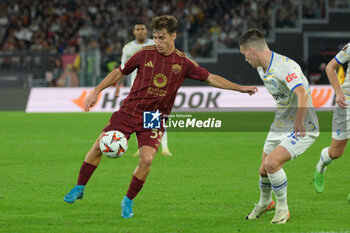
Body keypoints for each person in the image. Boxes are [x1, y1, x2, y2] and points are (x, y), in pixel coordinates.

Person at [63, 15, 258, 219]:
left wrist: (240, 89)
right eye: (155, 37)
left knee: (147, 159)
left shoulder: (183, 62)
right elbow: (118, 73)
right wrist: (96, 91)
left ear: (174, 36)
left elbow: (210, 78)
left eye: (162, 37)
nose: (158, 42)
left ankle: (127, 200)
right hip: (130, 110)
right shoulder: (143, 54)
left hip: (154, 117)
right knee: (98, 146)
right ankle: (79, 187)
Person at [239, 28, 319, 224]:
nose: (245, 60)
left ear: (252, 51)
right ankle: (266, 203)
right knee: (263, 170)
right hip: (280, 124)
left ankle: (283, 209)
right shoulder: (261, 68)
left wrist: (299, 121)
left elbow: (302, 94)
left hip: (303, 125)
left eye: (244, 55)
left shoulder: (285, 67)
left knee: (272, 164)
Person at [116, 22, 172, 157]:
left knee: (158, 117)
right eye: (138, 29)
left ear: (146, 31)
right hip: (137, 90)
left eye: (142, 29)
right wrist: (118, 86)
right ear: (134, 32)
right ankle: (142, 148)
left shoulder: (156, 43)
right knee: (138, 119)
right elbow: (122, 69)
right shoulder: (128, 48)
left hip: (155, 88)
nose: (140, 31)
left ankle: (165, 147)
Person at [313, 42, 349, 200]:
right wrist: (339, 93)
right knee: (336, 152)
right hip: (346, 103)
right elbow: (330, 67)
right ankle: (321, 166)